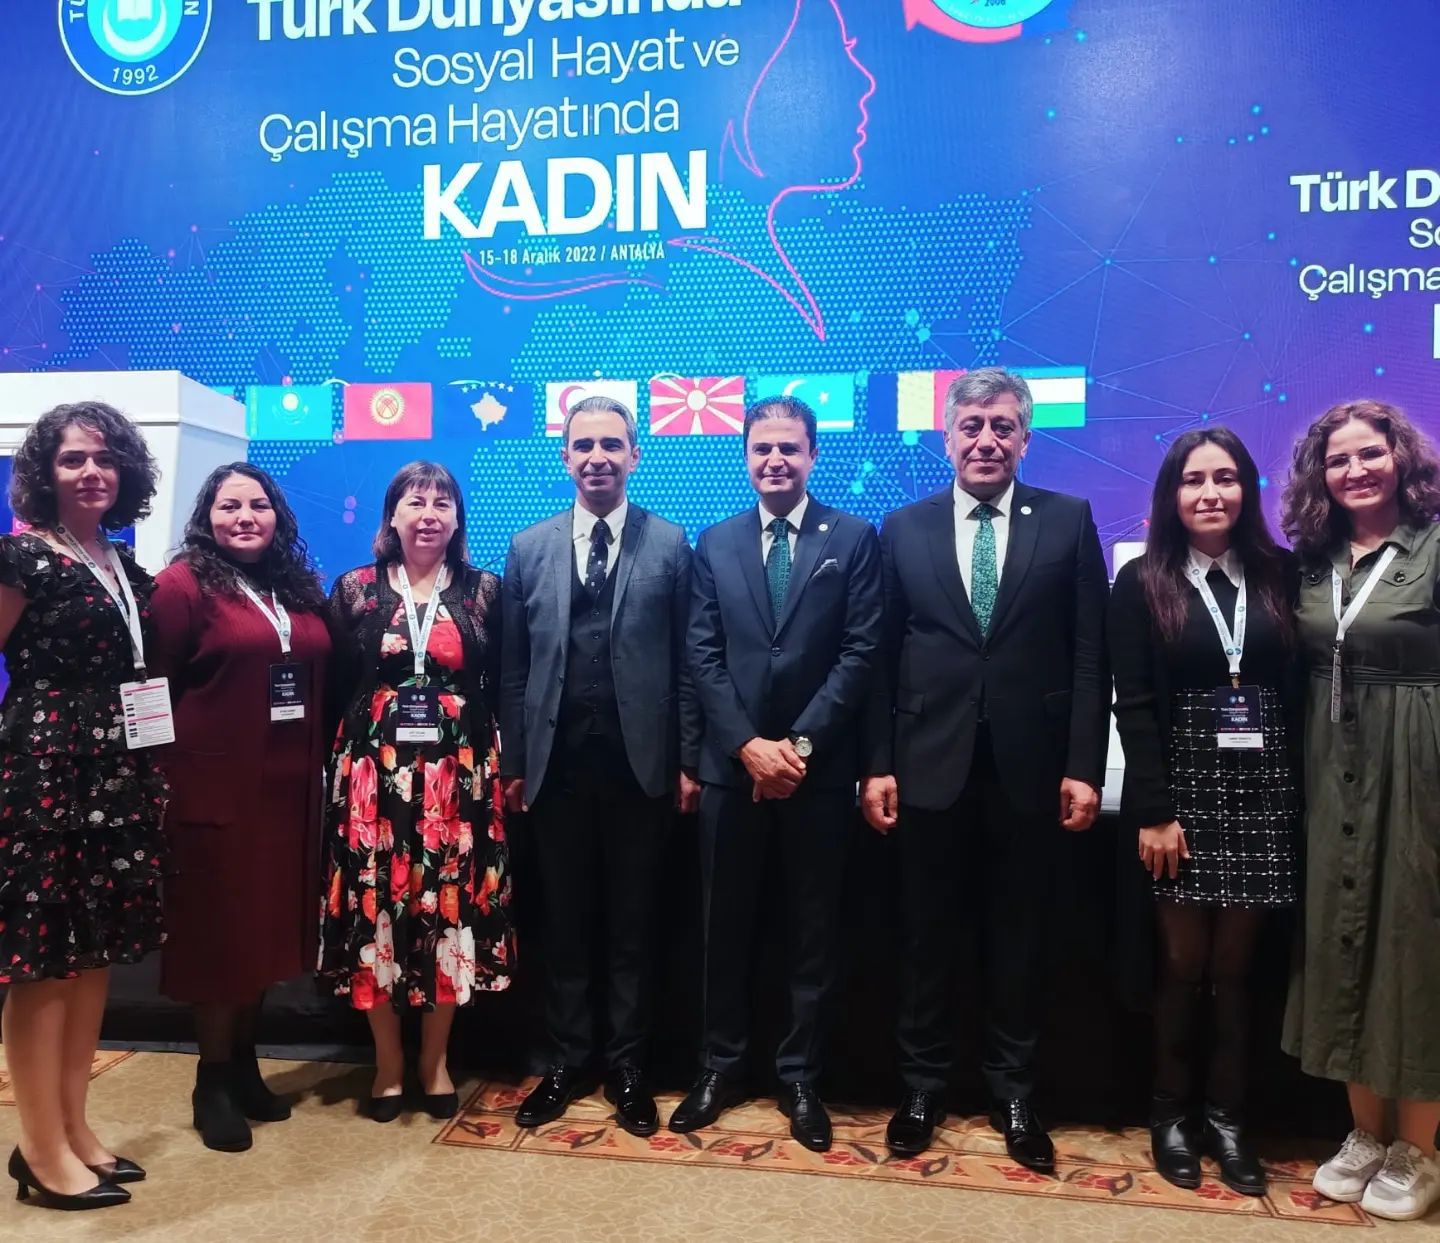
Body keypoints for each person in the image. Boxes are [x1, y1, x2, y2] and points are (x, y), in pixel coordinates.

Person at [861, 367, 1109, 1171]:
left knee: (1019, 939)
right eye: (971, 426)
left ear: (1025, 437)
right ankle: (922, 1087)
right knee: (925, 938)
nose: (986, 440)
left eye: (1003, 426)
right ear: (948, 437)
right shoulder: (903, 527)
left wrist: (1083, 765)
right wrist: (877, 764)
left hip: (1030, 771)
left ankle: (1014, 1092)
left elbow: (1089, 654)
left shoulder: (1068, 520)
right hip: (927, 766)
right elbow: (880, 656)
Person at [669, 395, 882, 1152]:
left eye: (790, 447)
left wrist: (797, 747)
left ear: (813, 455)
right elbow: (701, 654)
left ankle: (800, 1077)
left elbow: (861, 651)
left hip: (815, 775)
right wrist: (746, 747)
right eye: (762, 448)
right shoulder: (715, 541)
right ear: (746, 456)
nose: (776, 460)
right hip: (733, 774)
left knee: (811, 932)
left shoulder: (853, 538)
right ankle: (719, 1067)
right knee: (722, 928)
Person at [501, 397, 700, 1136]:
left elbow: (687, 665)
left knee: (633, 926)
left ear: (634, 455)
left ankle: (628, 1068)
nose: (598, 457)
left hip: (641, 770)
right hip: (556, 772)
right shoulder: (528, 547)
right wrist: (516, 761)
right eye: (583, 445)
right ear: (565, 457)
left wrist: (687, 759)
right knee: (566, 922)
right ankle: (565, 1062)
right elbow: (514, 670)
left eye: (612, 444)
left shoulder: (671, 543)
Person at [1109, 428, 1300, 1195]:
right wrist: (1155, 810)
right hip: (1180, 793)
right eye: (1194, 479)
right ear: (1172, 494)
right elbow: (1135, 701)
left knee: (1236, 968)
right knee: (1184, 966)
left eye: (1225, 477)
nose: (1211, 492)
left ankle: (1228, 1120)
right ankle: (1169, 1116)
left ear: (1247, 489)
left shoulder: (1281, 573)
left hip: (1263, 791)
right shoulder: (1142, 579)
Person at [0, 402, 167, 1209]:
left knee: (93, 952)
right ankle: (38, 1149)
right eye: (72, 459)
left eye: (104, 458)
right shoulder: (20, 557)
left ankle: (74, 1128)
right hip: (46, 772)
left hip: (116, 770)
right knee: (44, 961)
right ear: (44, 471)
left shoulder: (121, 562)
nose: (91, 471)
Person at [1280, 400, 1440, 1221]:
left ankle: (1419, 1148)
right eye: (1338, 459)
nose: (1355, 470)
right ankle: (1366, 1134)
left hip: (1418, 761)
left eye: (1370, 453)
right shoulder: (1314, 561)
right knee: (1342, 933)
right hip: (1331, 763)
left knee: (1412, 944)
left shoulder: (1434, 543)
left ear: (1401, 456)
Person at [319, 461, 515, 1123]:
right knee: (376, 905)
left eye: (441, 502)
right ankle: (388, 1063)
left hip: (457, 781)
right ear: (392, 515)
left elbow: (503, 680)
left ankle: (434, 1060)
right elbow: (335, 685)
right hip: (372, 780)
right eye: (415, 501)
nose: (428, 513)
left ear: (457, 518)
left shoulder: (485, 590)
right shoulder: (355, 589)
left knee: (448, 906)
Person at [149, 463, 331, 1153]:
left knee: (262, 936)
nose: (245, 517)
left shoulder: (294, 587)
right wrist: (153, 778)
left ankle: (246, 1066)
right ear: (208, 516)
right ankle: (213, 1080)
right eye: (230, 506)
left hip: (286, 794)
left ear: (278, 515)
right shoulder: (182, 586)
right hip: (214, 793)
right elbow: (149, 687)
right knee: (220, 939)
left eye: (258, 504)